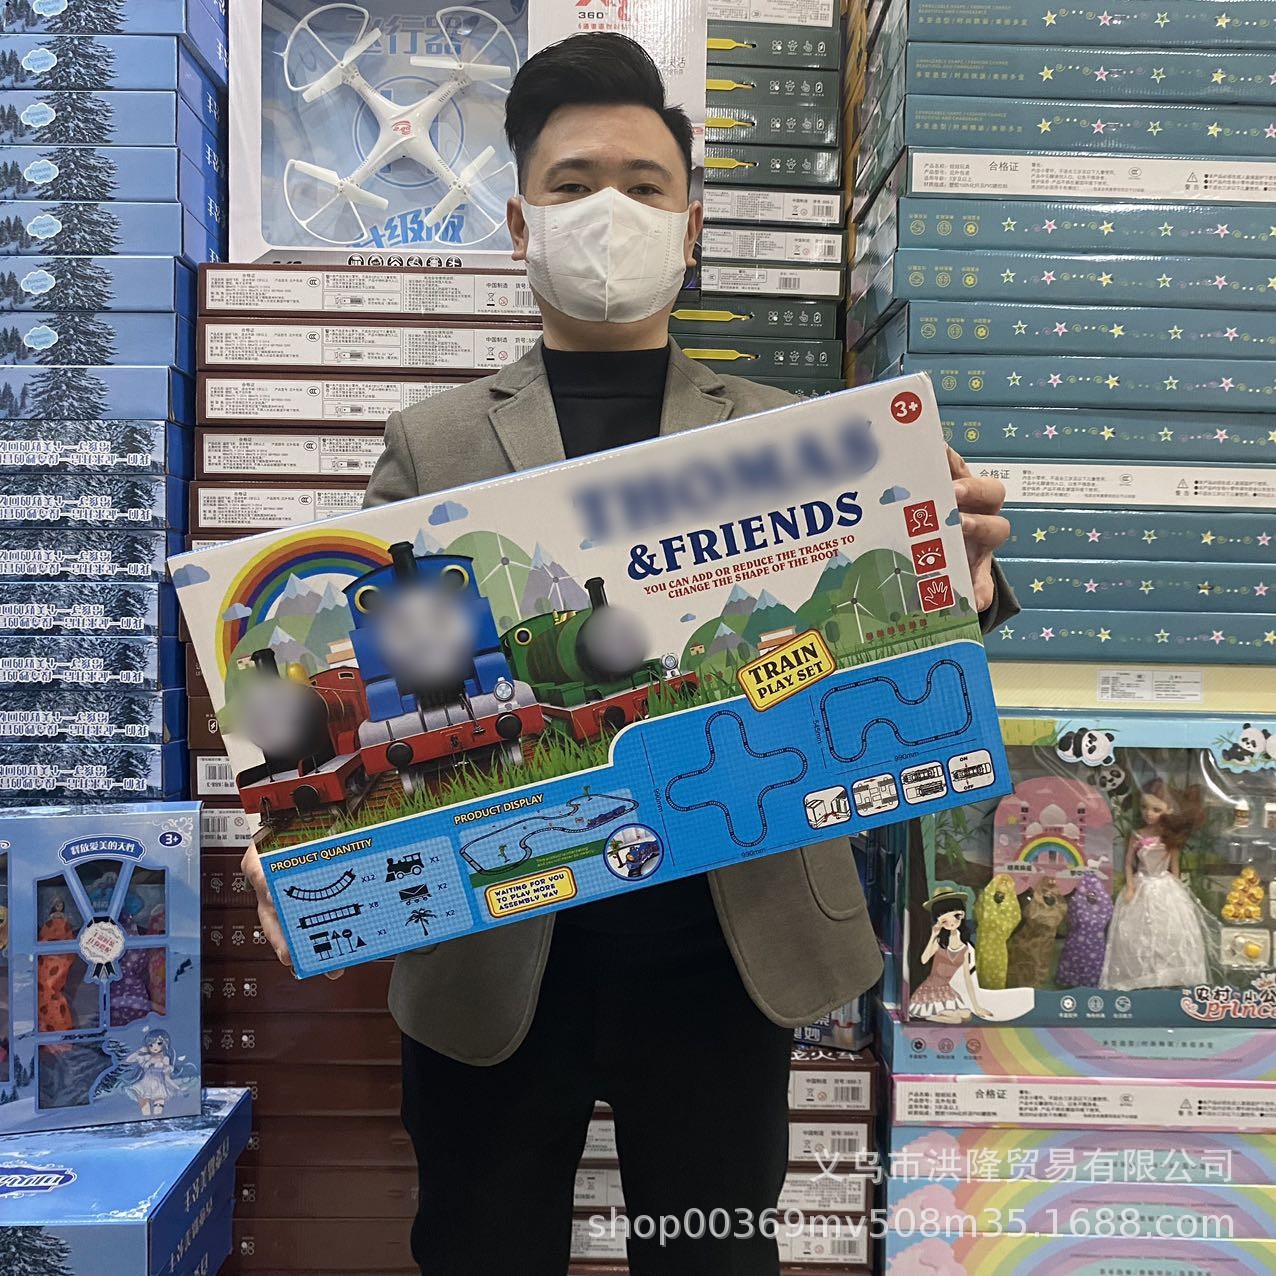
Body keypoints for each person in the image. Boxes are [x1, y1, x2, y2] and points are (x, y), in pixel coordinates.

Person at [242, 33, 1017, 1275]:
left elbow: (881, 657)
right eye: (573, 183)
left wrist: (959, 587)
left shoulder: (797, 435)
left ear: (689, 227)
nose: (610, 210)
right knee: (478, 1248)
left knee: (711, 1251)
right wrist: (301, 829)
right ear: (519, 222)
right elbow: (359, 658)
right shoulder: (433, 439)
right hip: (491, 953)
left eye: (644, 186)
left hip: (729, 939)